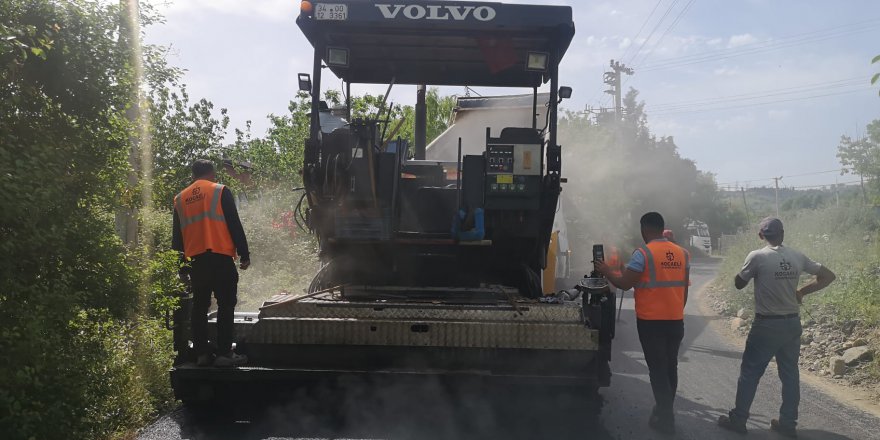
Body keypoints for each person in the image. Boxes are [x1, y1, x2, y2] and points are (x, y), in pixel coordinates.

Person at [718, 217, 835, 438]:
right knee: (790, 375)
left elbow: (739, 283)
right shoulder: (797, 256)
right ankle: (788, 424)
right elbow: (828, 276)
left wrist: (744, 271)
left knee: (750, 373)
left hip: (767, 325)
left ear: (761, 235)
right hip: (791, 324)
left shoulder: (758, 256)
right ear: (783, 233)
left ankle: (739, 420)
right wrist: (801, 291)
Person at [596, 212, 689, 435]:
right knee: (670, 366)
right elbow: (684, 289)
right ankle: (663, 409)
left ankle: (666, 419)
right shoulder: (683, 253)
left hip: (652, 322)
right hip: (676, 320)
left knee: (657, 370)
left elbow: (625, 284)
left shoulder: (643, 254)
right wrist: (675, 309)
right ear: (661, 227)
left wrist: (607, 271)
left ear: (644, 229)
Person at [172, 159, 251, 367]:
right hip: (220, 257)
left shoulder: (180, 199)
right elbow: (234, 223)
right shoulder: (220, 191)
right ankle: (225, 353)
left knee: (199, 306)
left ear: (193, 175)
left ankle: (202, 355)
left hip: (196, 261)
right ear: (212, 173)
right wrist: (244, 254)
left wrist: (181, 268)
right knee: (226, 304)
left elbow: (177, 238)